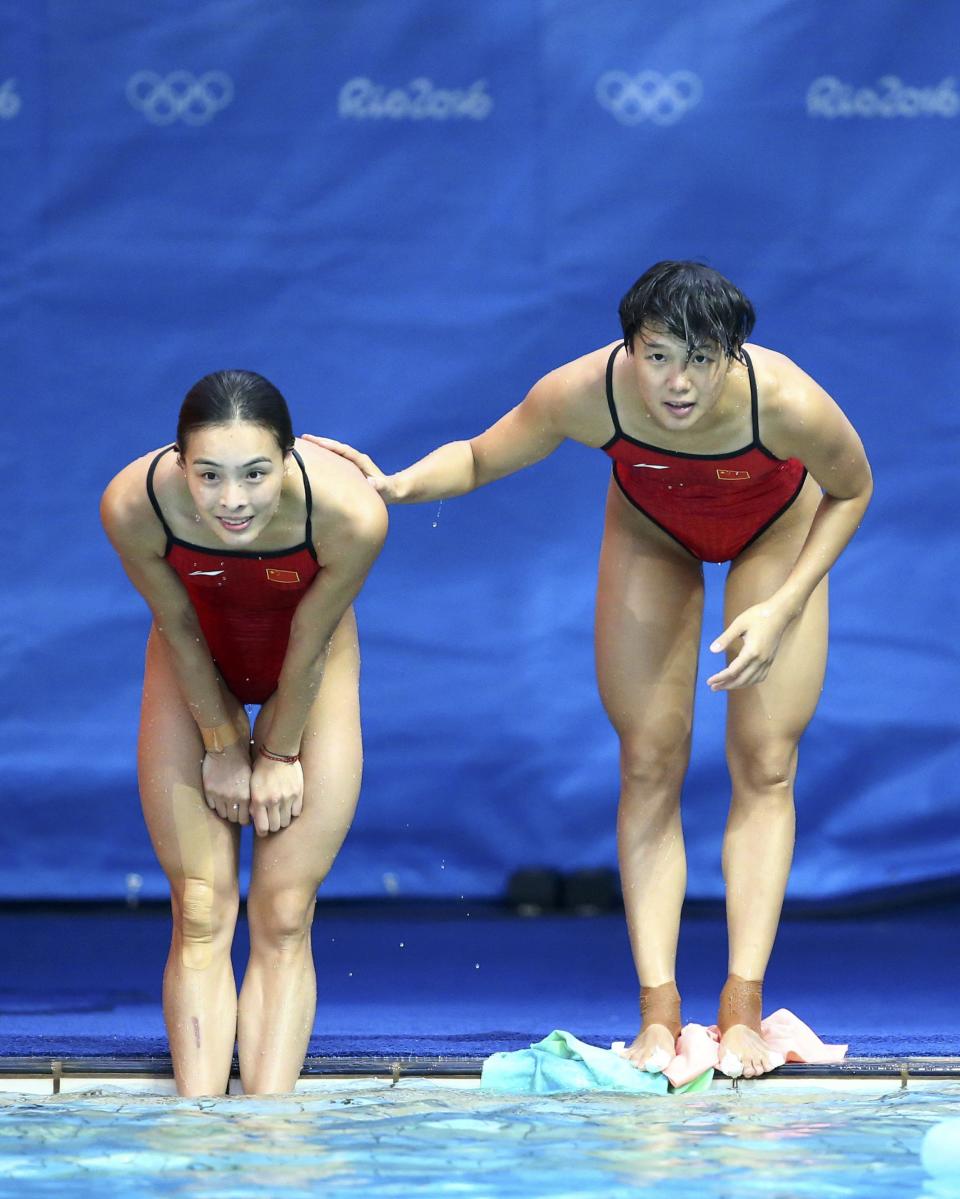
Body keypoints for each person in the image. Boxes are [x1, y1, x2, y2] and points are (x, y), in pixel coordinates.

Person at [306, 261, 873, 1079]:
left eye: (702, 358)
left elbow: (852, 489)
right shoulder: (587, 391)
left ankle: (743, 1007)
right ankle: (658, 1010)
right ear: (629, 348)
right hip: (653, 532)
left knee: (767, 761)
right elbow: (474, 458)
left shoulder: (784, 400)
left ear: (733, 356)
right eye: (658, 356)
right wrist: (394, 485)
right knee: (648, 760)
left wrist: (784, 604)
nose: (678, 383)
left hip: (775, 539)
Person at [101, 370, 387, 1096]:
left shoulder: (349, 515)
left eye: (255, 473)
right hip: (194, 660)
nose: (233, 500)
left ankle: (269, 1132)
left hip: (311, 671)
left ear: (290, 458)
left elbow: (312, 642)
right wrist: (226, 745)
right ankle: (199, 1128)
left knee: (286, 910)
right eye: (209, 475)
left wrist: (280, 750)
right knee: (200, 904)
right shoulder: (134, 505)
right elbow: (179, 628)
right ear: (177, 461)